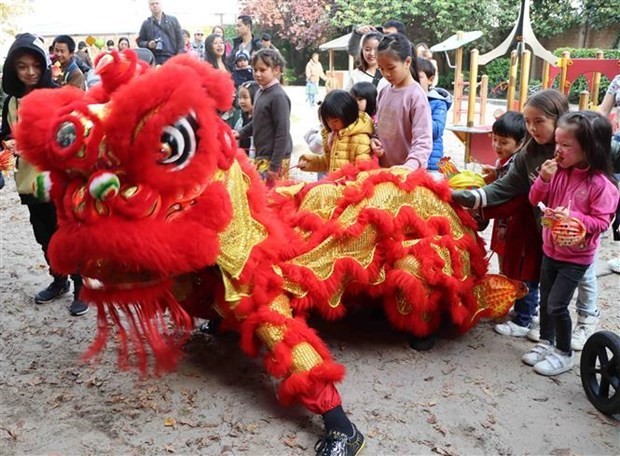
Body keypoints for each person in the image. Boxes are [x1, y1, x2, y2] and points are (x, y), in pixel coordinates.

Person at [525, 111, 618, 376]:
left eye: (566, 146)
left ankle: (563, 353)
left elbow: (601, 223)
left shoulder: (602, 185)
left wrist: (575, 219)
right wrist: (543, 179)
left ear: (590, 149)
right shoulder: (557, 172)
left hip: (576, 257)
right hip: (549, 248)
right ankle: (547, 342)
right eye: (557, 143)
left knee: (556, 304)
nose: (558, 151)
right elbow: (534, 200)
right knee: (546, 301)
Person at [0, 33, 87, 316]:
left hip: (58, 182)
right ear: (13, 68)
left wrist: (35, 145)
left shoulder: (57, 97)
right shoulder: (11, 103)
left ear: (45, 66)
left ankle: (80, 286)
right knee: (44, 237)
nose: (30, 72)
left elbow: (72, 137)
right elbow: (6, 134)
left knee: (67, 237)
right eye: (23, 66)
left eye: (36, 65)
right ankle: (58, 279)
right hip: (29, 184)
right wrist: (8, 144)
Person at [476, 113, 542, 338]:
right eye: (494, 139)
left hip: (521, 228)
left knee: (524, 273)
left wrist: (479, 204)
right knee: (511, 269)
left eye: (503, 142)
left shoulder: (520, 164)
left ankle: (524, 319)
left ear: (521, 142)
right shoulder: (504, 162)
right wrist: (494, 176)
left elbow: (509, 197)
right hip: (506, 228)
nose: (497, 145)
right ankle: (524, 310)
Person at [371, 33, 432, 170]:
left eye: (391, 68)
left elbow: (423, 141)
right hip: (384, 172)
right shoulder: (384, 92)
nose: (386, 74)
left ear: (408, 62)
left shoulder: (416, 96)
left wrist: (409, 167)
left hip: (409, 176)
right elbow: (378, 128)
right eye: (381, 69)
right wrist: (374, 139)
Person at [235, 49, 292, 187]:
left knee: (273, 198)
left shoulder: (278, 96)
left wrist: (274, 166)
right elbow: (258, 121)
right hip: (263, 155)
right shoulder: (261, 91)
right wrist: (240, 133)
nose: (258, 74)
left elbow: (282, 133)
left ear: (276, 70)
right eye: (255, 70)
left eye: (263, 69)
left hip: (274, 159)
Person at [298, 90, 374, 174]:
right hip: (335, 184)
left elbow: (363, 171)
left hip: (348, 185)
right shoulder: (333, 135)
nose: (331, 125)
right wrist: (308, 163)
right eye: (327, 121)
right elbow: (329, 162)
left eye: (335, 121)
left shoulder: (360, 139)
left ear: (348, 116)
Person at [416, 57, 452, 172]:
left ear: (430, 80)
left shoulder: (438, 103)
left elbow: (437, 130)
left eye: (419, 77)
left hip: (431, 160)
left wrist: (416, 116)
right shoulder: (406, 100)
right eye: (411, 77)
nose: (415, 81)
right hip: (411, 159)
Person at [137, 0, 184, 65]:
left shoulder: (173, 20)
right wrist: (148, 44)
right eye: (152, 4)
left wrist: (179, 56)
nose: (155, 6)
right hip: (154, 59)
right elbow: (140, 41)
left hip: (171, 57)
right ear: (149, 7)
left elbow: (180, 40)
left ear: (161, 4)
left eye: (157, 3)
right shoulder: (146, 23)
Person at [234, 81, 259, 154]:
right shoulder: (241, 115)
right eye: (239, 97)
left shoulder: (261, 117)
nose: (241, 101)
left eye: (245, 97)